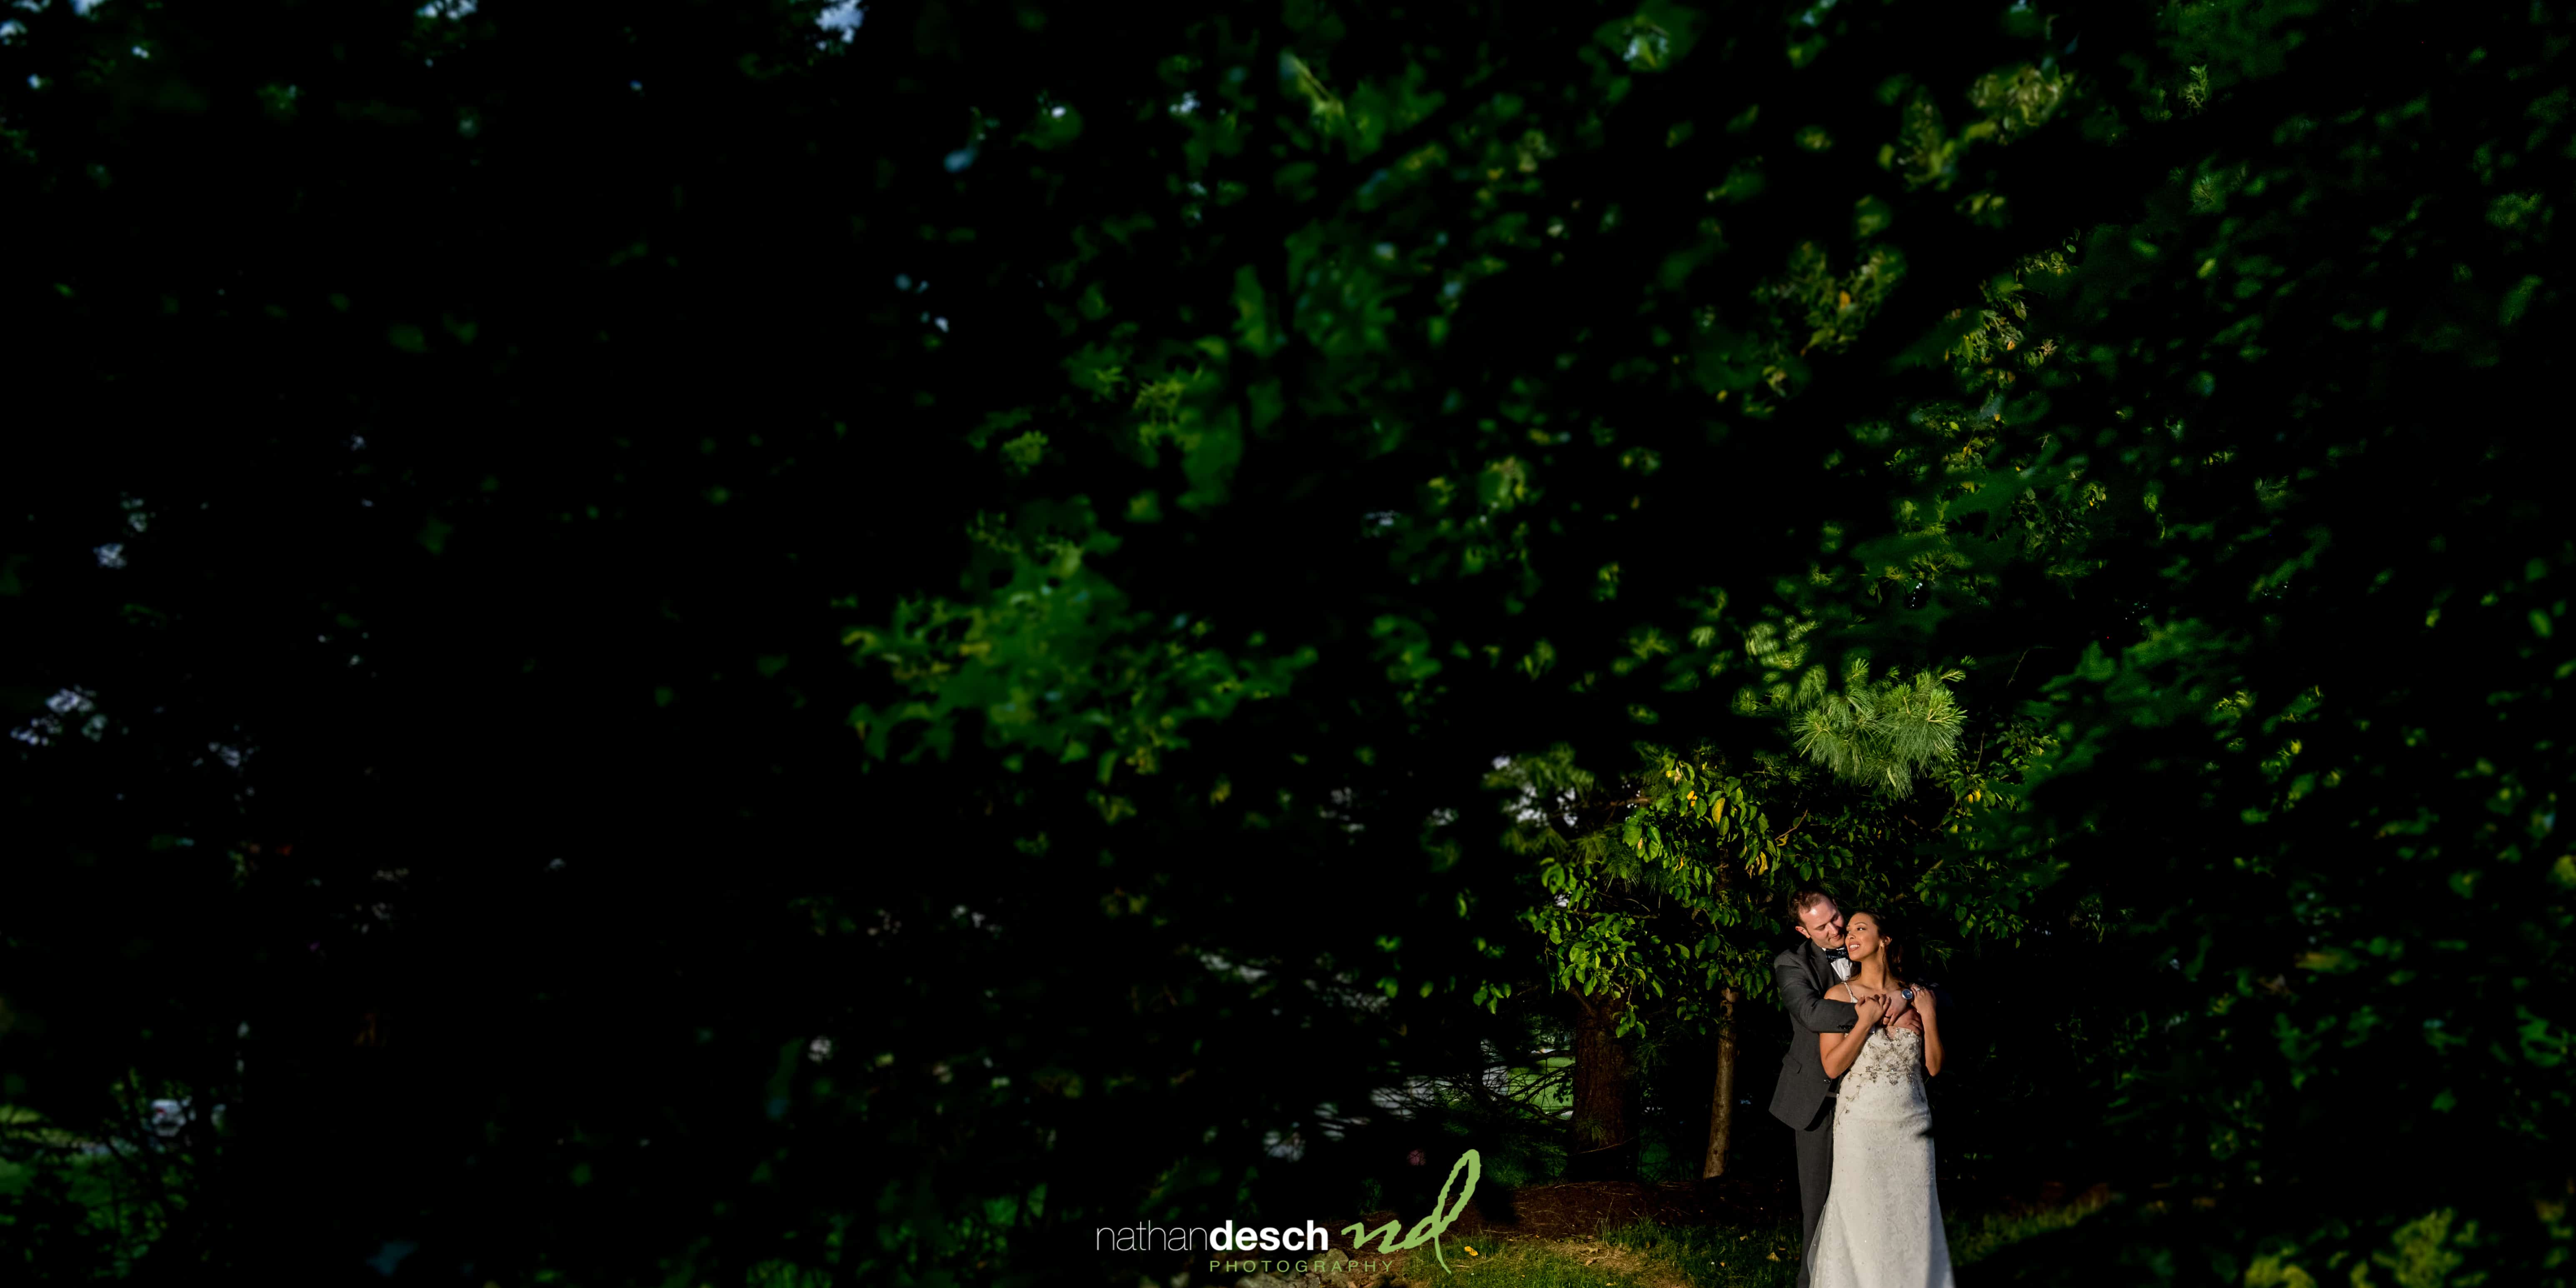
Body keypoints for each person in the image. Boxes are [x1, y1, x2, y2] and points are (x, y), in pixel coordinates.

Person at [1768, 889, 1919, 1288]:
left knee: (1876, 1204)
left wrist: (1906, 995)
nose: (1836, 930)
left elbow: (1927, 988)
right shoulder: (1791, 963)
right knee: (1819, 1210)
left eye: (1836, 917)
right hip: (1817, 1100)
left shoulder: (1866, 943)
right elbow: (1811, 1012)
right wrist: (1879, 1012)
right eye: (1822, 927)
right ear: (1804, 931)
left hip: (1874, 1104)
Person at [1806, 909, 1952, 1288]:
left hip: (1913, 1126)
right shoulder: (1839, 995)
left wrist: (1928, 1015)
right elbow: (1832, 1066)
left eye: (1860, 928)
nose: (1850, 936)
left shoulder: (1915, 993)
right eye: (1849, 931)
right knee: (1863, 1219)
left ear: (1885, 940)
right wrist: (1865, 1022)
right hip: (1861, 1126)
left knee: (1913, 1219)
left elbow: (1934, 1067)